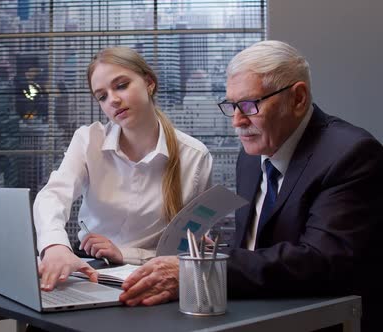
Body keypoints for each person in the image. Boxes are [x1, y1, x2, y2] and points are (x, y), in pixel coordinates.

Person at [119, 40, 383, 331]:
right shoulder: (251, 157)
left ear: (298, 98)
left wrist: (209, 267)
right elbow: (260, 248)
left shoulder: (350, 154)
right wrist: (210, 254)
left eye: (249, 105)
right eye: (232, 106)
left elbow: (321, 261)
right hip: (254, 314)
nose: (237, 121)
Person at [33, 47, 213, 291]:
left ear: (149, 82)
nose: (113, 100)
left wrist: (125, 253)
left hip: (151, 278)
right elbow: (52, 196)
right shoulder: (89, 140)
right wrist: (54, 246)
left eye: (121, 85)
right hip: (90, 270)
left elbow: (189, 249)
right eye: (102, 96)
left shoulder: (195, 156)